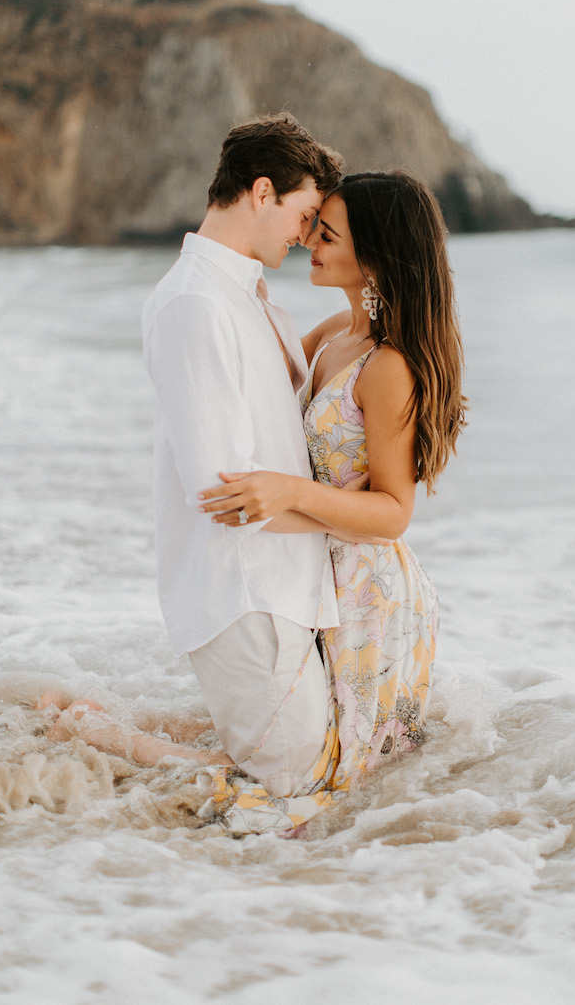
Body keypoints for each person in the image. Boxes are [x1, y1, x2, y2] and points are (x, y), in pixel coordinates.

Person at [197, 171, 467, 830]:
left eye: (329, 233)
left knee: (319, 790)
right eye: (313, 227)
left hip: (367, 591)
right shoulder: (328, 336)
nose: (310, 241)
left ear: (374, 252)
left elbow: (394, 512)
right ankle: (92, 734)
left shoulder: (388, 366)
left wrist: (286, 493)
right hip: (317, 571)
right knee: (293, 747)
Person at [139, 112, 348, 797]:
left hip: (281, 584)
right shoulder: (196, 303)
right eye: (305, 213)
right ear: (262, 192)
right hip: (245, 591)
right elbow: (223, 491)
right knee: (290, 789)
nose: (308, 234)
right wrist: (356, 518)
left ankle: (106, 733)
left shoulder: (245, 297)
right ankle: (81, 734)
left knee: (301, 775)